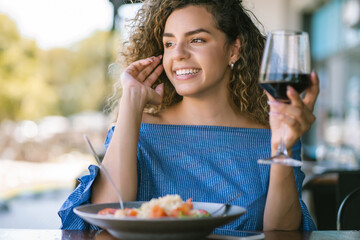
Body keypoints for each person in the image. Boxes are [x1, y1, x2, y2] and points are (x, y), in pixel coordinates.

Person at [59, 0, 319, 231]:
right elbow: (107, 216)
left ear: (234, 49)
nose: (179, 54)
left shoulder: (275, 135)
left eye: (197, 40)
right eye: (169, 43)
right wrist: (130, 102)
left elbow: (282, 232)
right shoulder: (139, 128)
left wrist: (281, 145)